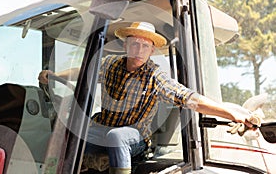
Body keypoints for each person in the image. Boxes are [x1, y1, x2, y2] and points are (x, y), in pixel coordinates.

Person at [38, 22, 259, 174]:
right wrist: (55, 75)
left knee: (117, 136)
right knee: (68, 133)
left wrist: (231, 113)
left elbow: (189, 97)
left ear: (151, 51)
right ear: (125, 45)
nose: (139, 49)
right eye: (134, 43)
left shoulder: (155, 76)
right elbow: (84, 70)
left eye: (145, 46)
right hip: (102, 128)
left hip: (135, 138)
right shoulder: (110, 65)